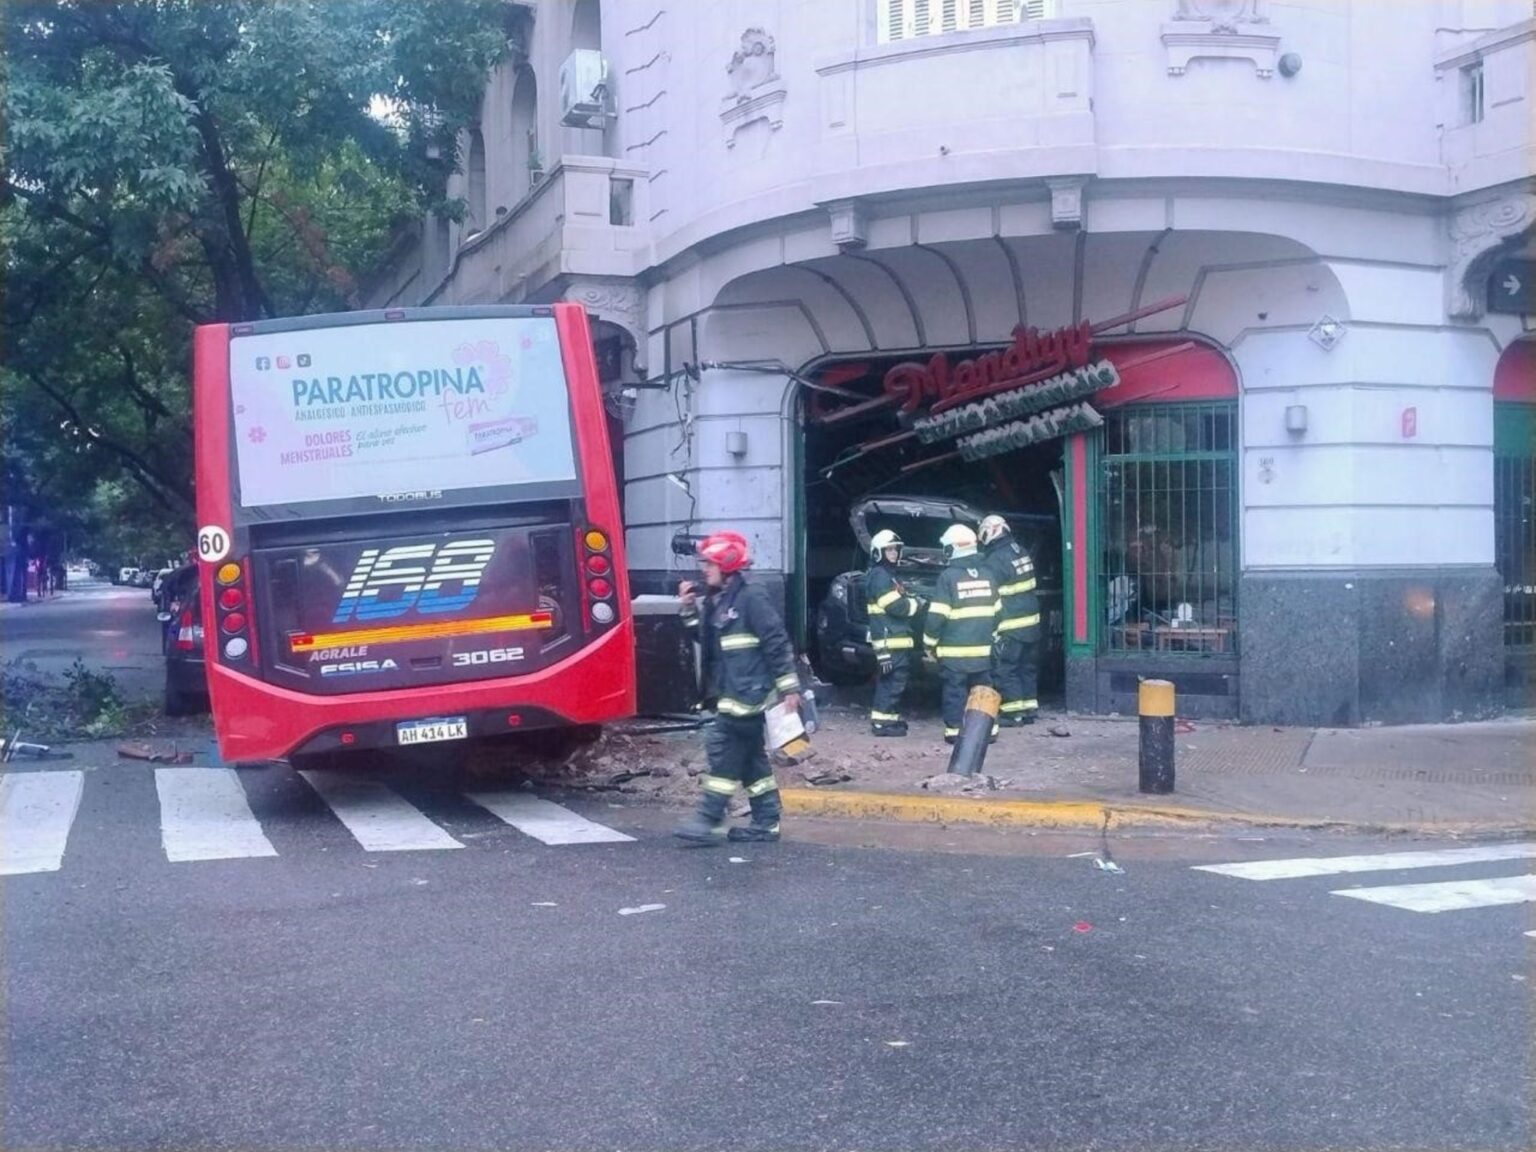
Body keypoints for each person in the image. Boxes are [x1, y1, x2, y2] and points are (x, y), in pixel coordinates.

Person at [674, 530, 802, 845]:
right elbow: (707, 642)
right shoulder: (720, 600)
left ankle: (709, 819)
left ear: (727, 566)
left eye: (709, 564)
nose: (704, 570)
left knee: (724, 753)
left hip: (748, 696)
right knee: (751, 761)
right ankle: (766, 822)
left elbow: (776, 640)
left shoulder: (751, 596)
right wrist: (689, 609)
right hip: (730, 694)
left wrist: (789, 688)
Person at [923, 524, 1000, 745]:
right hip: (983, 650)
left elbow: (937, 615)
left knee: (955, 692)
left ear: (953, 549)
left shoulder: (948, 577)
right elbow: (998, 611)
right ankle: (989, 730)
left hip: (954, 652)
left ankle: (955, 732)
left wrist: (929, 643)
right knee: (984, 690)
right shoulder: (987, 574)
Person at [978, 514, 1042, 726]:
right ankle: (1029, 710)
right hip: (1031, 623)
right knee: (1026, 667)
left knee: (1007, 668)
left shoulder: (995, 559)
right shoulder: (1020, 551)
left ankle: (1013, 713)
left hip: (1010, 624)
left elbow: (988, 593)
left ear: (991, 531)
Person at [865, 529, 921, 736]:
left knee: (895, 683)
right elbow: (897, 607)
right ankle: (881, 724)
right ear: (878, 552)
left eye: (895, 549)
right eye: (888, 550)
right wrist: (916, 604)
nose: (893, 553)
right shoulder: (880, 576)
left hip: (896, 640)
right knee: (890, 683)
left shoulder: (888, 576)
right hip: (890, 641)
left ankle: (890, 718)